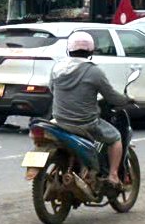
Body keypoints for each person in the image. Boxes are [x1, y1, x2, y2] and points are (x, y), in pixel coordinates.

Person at [50, 31, 130, 188]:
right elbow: (112, 97)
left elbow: (52, 89)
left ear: (69, 50)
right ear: (91, 51)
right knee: (115, 137)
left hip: (59, 121)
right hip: (85, 124)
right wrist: (127, 100)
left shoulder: (57, 68)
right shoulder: (94, 72)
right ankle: (113, 175)